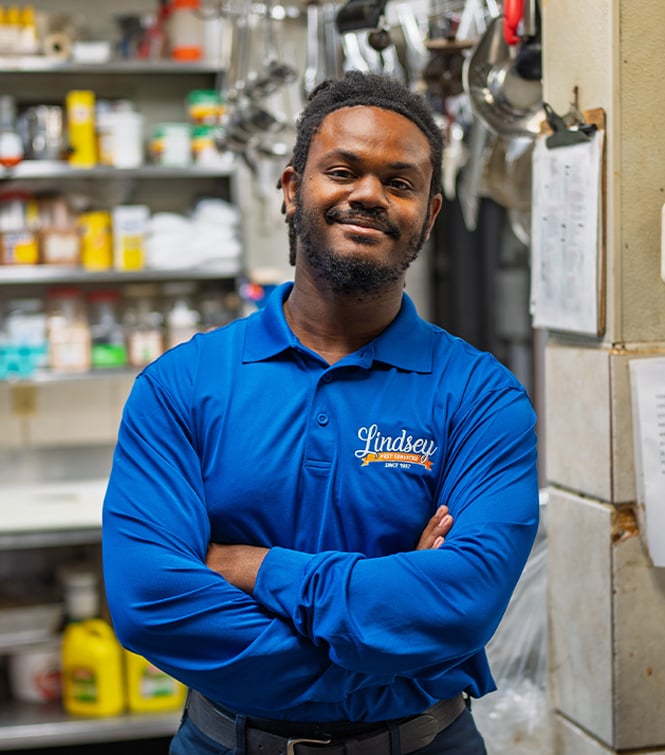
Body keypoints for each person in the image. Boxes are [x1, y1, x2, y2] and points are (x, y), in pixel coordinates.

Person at [102, 70, 539, 755]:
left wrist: (254, 567)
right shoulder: (182, 385)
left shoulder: (480, 396)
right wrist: (384, 642)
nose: (368, 194)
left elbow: (460, 602)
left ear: (427, 215)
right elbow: (152, 601)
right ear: (289, 189)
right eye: (342, 170)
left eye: (399, 182)